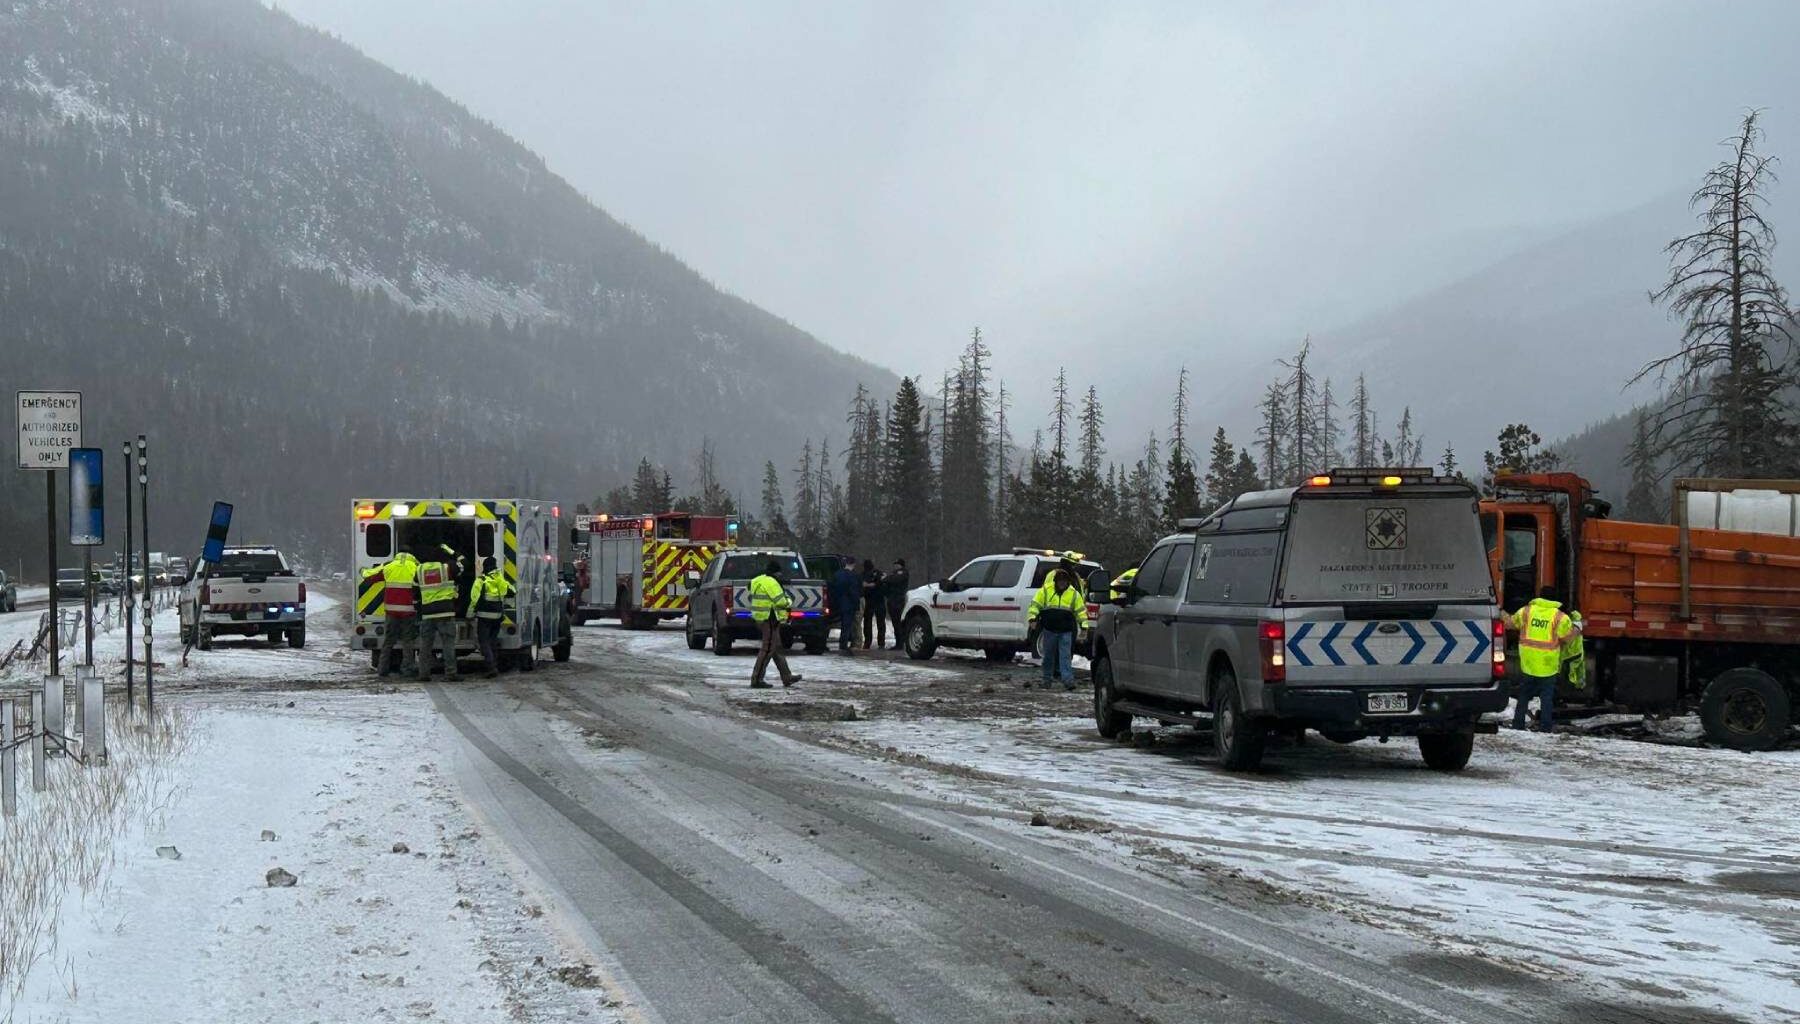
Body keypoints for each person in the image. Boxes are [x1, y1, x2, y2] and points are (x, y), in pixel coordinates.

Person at [1506, 585, 1579, 731]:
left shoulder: (1526, 611)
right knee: (1546, 699)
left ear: (1540, 596)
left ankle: (1517, 724)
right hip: (1548, 666)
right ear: (1554, 599)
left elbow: (1510, 624)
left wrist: (1501, 611)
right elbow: (1566, 639)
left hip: (1529, 663)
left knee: (1524, 696)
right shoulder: (1560, 617)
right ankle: (1545, 727)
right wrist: (1577, 628)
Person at [1028, 568, 1087, 691]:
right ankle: (1046, 680)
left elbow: (1081, 612)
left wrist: (1084, 627)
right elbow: (1035, 605)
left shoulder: (1074, 594)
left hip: (1066, 631)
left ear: (1068, 582)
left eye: (1064, 581)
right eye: (1060, 580)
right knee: (1048, 656)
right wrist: (1032, 619)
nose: (1062, 583)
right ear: (1055, 581)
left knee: (1065, 656)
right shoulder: (1045, 591)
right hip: (1049, 630)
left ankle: (1068, 681)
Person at [749, 559, 801, 688]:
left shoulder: (758, 579)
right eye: (779, 573)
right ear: (776, 572)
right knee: (767, 649)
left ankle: (786, 676)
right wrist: (789, 600)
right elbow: (780, 601)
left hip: (761, 618)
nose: (781, 576)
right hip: (769, 618)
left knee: (776, 648)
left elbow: (749, 588)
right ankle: (757, 679)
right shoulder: (772, 583)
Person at [371, 547, 420, 677]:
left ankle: (382, 669)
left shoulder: (389, 566)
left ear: (397, 554)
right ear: (411, 554)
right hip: (408, 611)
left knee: (388, 641)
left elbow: (372, 577)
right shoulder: (415, 566)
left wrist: (363, 571)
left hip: (391, 611)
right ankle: (407, 669)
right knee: (407, 642)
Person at [415, 549, 461, 681]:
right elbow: (464, 564)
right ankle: (451, 673)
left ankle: (423, 674)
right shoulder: (448, 567)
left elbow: (415, 592)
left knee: (425, 645)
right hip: (446, 612)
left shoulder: (419, 570)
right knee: (448, 644)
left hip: (428, 613)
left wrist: (419, 608)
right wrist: (453, 552)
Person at [467, 556, 514, 678]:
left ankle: (490, 667)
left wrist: (469, 615)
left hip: (484, 617)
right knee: (493, 640)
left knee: (484, 642)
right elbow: (512, 591)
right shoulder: (499, 578)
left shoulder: (481, 580)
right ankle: (494, 665)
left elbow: (474, 600)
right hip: (497, 617)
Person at [828, 556, 862, 654]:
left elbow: (832, 589)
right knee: (847, 625)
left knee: (843, 623)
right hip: (850, 604)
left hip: (839, 603)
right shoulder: (854, 576)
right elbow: (856, 592)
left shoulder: (837, 574)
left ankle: (843, 644)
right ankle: (843, 645)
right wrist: (857, 604)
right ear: (853, 564)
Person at [860, 558, 887, 651]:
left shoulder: (867, 574)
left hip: (873, 600)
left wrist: (869, 585)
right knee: (877, 623)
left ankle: (870, 643)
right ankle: (878, 643)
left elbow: (864, 585)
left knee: (870, 622)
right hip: (875, 600)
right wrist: (872, 584)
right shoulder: (876, 573)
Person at [882, 559, 910, 644]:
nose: (895, 566)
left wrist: (886, 578)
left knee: (898, 621)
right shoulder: (894, 573)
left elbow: (894, 579)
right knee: (895, 622)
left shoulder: (903, 573)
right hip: (892, 599)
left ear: (900, 565)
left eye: (896, 564)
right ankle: (898, 642)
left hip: (898, 600)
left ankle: (900, 642)